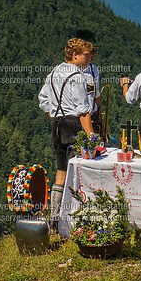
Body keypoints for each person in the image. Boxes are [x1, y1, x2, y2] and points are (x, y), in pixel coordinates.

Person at [38, 38, 95, 229]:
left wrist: (55, 113)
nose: (88, 58)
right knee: (76, 173)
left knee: (61, 173)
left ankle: (54, 220)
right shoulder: (77, 76)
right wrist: (92, 136)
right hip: (73, 125)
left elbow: (43, 99)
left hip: (57, 124)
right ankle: (73, 222)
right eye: (86, 55)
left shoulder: (55, 72)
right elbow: (83, 110)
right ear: (75, 55)